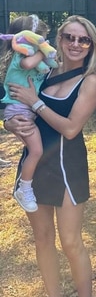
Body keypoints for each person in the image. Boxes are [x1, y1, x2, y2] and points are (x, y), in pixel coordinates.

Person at [3, 16, 96, 297]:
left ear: (91, 45)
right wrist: (13, 123)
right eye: (70, 37)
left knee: (71, 241)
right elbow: (17, 106)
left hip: (67, 165)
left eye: (83, 40)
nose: (76, 45)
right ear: (59, 39)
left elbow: (71, 128)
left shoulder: (91, 81)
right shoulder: (44, 70)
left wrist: (35, 102)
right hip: (35, 164)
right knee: (42, 238)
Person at [0, 14, 57, 212]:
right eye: (40, 38)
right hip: (19, 112)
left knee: (36, 151)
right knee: (36, 151)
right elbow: (28, 65)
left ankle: (26, 185)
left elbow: (45, 68)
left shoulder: (31, 59)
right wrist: (43, 51)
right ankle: (23, 188)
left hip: (25, 111)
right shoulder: (21, 57)